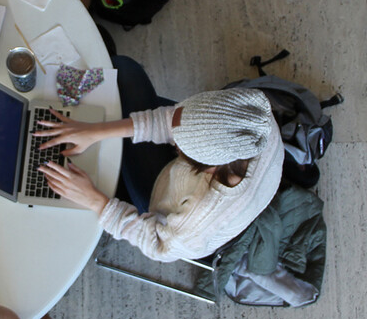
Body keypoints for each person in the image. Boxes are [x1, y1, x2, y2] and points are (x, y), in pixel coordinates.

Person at [34, 56, 284, 263]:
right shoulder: (255, 115)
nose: (171, 139)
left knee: (90, 182)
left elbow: (157, 245)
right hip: (189, 180)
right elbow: (171, 120)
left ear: (207, 169)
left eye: (179, 145)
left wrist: (97, 202)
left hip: (167, 211)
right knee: (126, 69)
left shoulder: (195, 225)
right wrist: (95, 131)